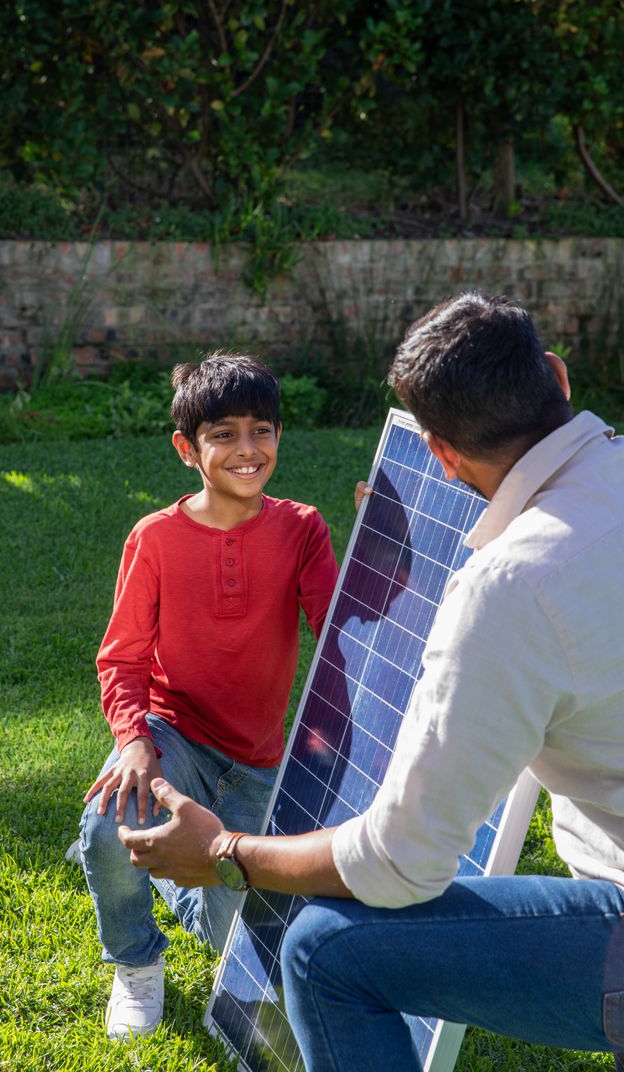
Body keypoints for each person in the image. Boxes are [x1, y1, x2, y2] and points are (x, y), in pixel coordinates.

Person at [119, 292, 624, 1071]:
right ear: (556, 377)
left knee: (325, 948)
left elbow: (399, 863)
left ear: (441, 456)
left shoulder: (509, 592)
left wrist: (225, 849)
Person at [79, 351, 339, 1041]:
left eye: (262, 431)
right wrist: (134, 741)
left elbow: (342, 628)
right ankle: (135, 961)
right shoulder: (155, 539)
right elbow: (123, 656)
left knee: (239, 936)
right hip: (174, 734)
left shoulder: (303, 528)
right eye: (224, 434)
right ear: (186, 448)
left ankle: (171, 874)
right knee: (108, 824)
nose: (247, 450)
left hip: (258, 761)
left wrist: (385, 558)